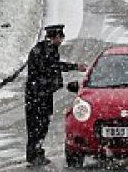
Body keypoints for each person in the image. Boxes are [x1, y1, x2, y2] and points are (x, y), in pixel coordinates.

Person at [25, 24, 86, 166]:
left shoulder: (45, 49)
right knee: (39, 125)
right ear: (56, 37)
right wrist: (74, 67)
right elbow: (53, 66)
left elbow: (53, 65)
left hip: (39, 93)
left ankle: (35, 153)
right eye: (61, 37)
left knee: (39, 124)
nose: (62, 40)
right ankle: (34, 154)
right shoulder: (45, 51)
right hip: (39, 94)